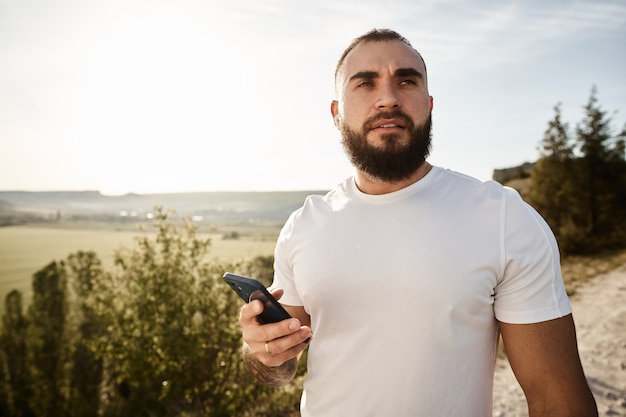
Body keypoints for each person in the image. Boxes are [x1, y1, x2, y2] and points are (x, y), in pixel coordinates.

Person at [238, 28, 597, 417]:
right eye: (365, 84)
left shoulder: (502, 217)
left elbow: (555, 397)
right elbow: (279, 368)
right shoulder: (303, 225)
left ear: (428, 103)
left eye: (406, 81)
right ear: (336, 112)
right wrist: (262, 352)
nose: (388, 99)